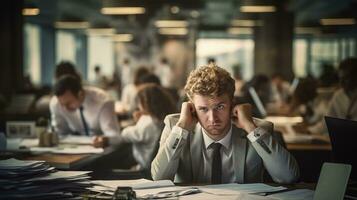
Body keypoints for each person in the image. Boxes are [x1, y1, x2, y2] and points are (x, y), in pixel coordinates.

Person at [151, 64, 299, 184]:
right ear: (192, 108)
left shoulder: (257, 129)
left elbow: (289, 177)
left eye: (220, 107)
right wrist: (182, 127)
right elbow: (159, 178)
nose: (213, 118)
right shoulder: (175, 127)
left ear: (232, 103)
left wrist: (250, 128)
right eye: (203, 109)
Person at [117, 83, 177, 170]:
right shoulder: (166, 117)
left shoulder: (148, 122)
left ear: (144, 103)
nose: (138, 106)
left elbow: (125, 135)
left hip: (144, 166)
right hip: (154, 164)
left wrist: (137, 122)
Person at [49, 75, 120, 147]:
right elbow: (59, 133)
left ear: (80, 94)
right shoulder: (56, 103)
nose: (65, 108)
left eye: (68, 103)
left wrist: (105, 139)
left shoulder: (103, 101)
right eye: (62, 104)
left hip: (100, 147)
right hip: (73, 147)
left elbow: (114, 135)